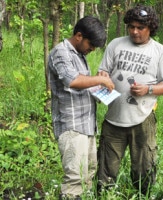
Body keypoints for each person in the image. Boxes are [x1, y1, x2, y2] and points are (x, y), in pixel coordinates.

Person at [96, 5, 163, 196]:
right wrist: (103, 76)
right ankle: (105, 195)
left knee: (144, 168)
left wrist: (147, 89)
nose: (135, 31)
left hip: (143, 118)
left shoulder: (160, 51)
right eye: (131, 27)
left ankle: (142, 195)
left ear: (151, 28)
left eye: (140, 28)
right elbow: (103, 72)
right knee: (106, 169)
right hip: (114, 118)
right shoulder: (115, 44)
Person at [47, 16, 115, 199]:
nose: (92, 49)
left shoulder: (80, 55)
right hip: (72, 125)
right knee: (75, 178)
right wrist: (100, 79)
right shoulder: (60, 53)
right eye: (90, 44)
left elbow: (83, 84)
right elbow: (72, 80)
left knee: (88, 174)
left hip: (87, 124)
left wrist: (98, 86)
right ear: (78, 36)